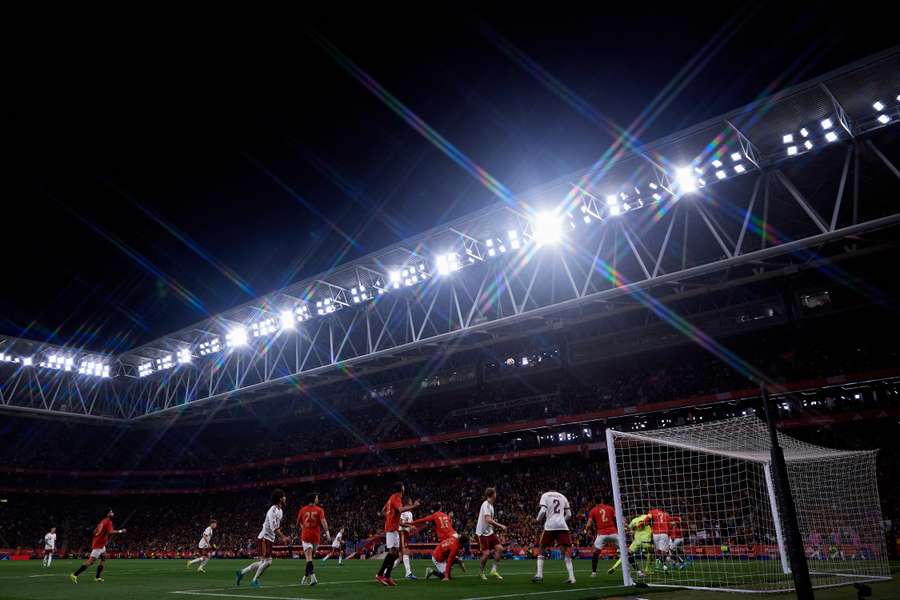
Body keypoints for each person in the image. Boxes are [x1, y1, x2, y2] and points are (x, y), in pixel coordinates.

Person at [235, 489, 289, 589]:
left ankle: (241, 572)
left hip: (270, 538)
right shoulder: (272, 511)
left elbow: (276, 527)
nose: (285, 498)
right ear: (280, 498)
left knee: (263, 562)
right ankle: (254, 581)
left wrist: (281, 536)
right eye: (284, 496)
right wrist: (283, 537)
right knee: (267, 562)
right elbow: (274, 528)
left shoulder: (280, 511)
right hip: (264, 537)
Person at [375, 481, 420, 586]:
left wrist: (388, 516)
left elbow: (382, 510)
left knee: (395, 553)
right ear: (401, 488)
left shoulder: (391, 497)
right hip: (391, 528)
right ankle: (380, 574)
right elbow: (400, 509)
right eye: (403, 486)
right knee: (392, 552)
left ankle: (387, 576)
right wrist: (414, 506)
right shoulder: (396, 498)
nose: (404, 487)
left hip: (393, 527)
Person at [69, 510, 126, 583]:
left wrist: (99, 536)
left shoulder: (102, 521)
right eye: (111, 512)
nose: (113, 513)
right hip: (99, 545)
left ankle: (97, 577)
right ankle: (74, 574)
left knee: (104, 557)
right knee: (90, 561)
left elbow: (94, 532)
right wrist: (121, 531)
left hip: (100, 544)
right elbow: (111, 532)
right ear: (108, 514)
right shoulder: (108, 522)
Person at [532, 490, 575, 584]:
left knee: (542, 547)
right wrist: (561, 520)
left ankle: (539, 574)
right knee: (565, 550)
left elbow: (543, 510)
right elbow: (569, 514)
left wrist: (537, 520)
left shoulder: (545, 495)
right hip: (562, 526)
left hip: (550, 525)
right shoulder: (563, 496)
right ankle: (572, 578)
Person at [412, 508, 463, 582]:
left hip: (444, 545)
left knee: (451, 557)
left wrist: (412, 523)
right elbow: (450, 558)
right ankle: (432, 571)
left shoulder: (439, 519)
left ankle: (446, 571)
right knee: (450, 560)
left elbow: (423, 520)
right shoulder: (446, 520)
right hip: (439, 556)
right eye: (451, 512)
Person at [476, 487, 507, 581]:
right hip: (482, 533)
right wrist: (500, 525)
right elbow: (488, 519)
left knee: (500, 549)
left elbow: (489, 521)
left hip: (489, 532)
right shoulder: (486, 505)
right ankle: (481, 572)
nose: (496, 494)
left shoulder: (491, 505)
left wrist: (493, 528)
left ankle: (493, 570)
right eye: (495, 493)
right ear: (492, 495)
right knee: (486, 554)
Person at [298, 493, 330, 586]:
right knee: (310, 559)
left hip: (306, 536)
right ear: (313, 499)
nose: (317, 499)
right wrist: (327, 533)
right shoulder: (319, 510)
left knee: (309, 559)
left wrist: (304, 527)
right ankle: (308, 578)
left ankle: (309, 577)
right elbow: (323, 522)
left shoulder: (302, 510)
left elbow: (299, 522)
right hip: (316, 537)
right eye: (316, 497)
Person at [609, 513, 653, 578]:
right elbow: (650, 516)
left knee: (626, 554)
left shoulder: (633, 521)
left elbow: (628, 529)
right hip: (646, 541)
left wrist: (625, 527)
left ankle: (614, 567)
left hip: (636, 542)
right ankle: (647, 569)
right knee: (651, 552)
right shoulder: (645, 516)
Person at [584, 495, 617, 577]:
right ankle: (638, 571)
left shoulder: (593, 510)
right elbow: (617, 518)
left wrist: (586, 530)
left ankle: (594, 573)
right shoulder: (610, 508)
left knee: (595, 552)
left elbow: (589, 524)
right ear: (602, 500)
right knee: (626, 551)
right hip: (613, 533)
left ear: (594, 501)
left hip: (601, 535)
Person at [396, 508, 416, 580]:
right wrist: (410, 526)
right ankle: (408, 573)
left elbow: (412, 524)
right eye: (411, 501)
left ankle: (385, 572)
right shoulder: (403, 512)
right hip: (402, 533)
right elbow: (400, 523)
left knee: (400, 559)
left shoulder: (410, 513)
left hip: (406, 534)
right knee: (405, 553)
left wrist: (413, 528)